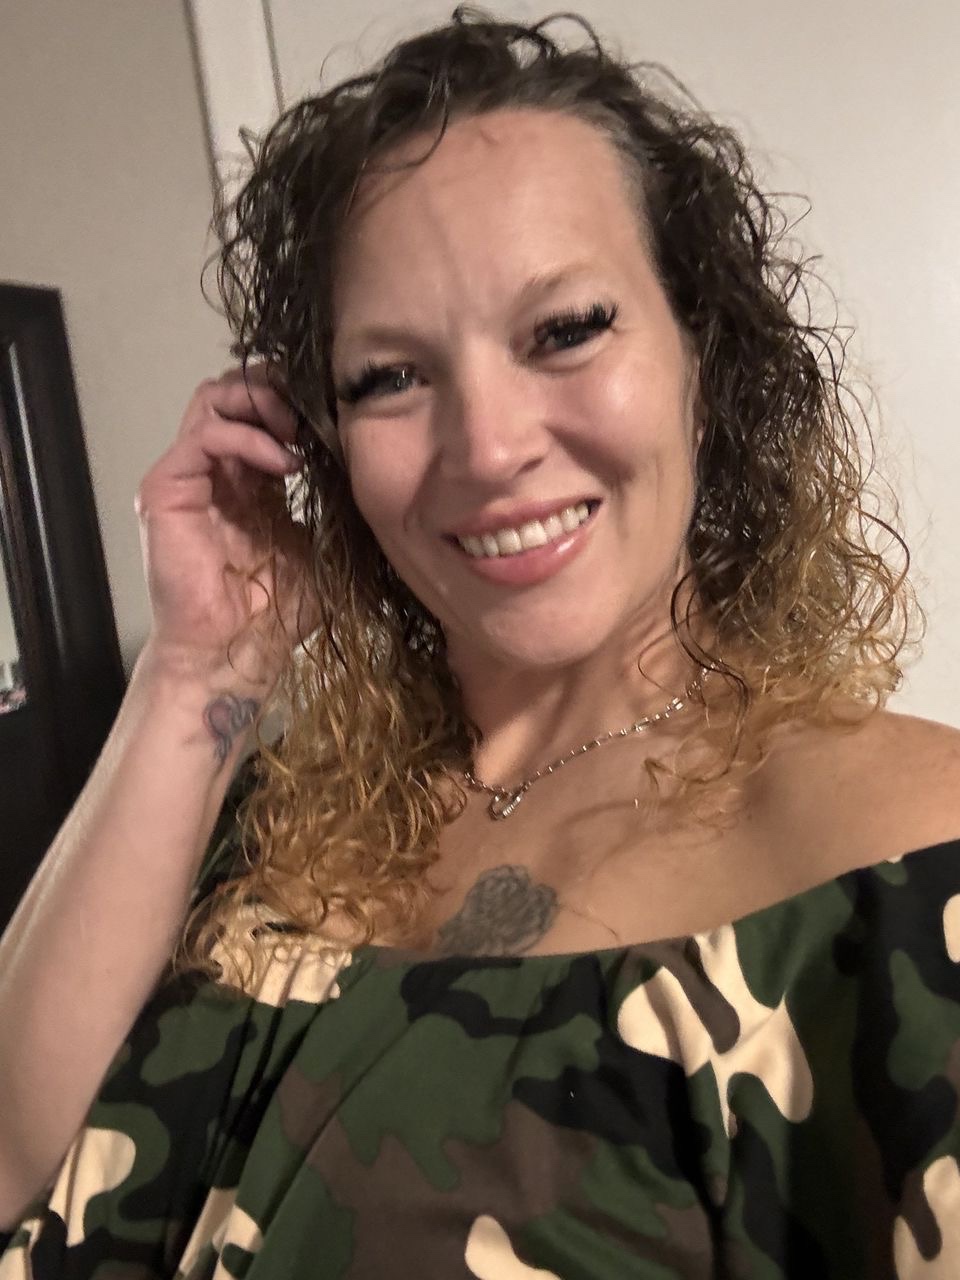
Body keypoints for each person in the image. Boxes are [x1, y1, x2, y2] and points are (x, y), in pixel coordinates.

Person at [1, 7, 958, 1277]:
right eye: (388, 377)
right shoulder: (276, 818)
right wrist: (200, 667)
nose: (490, 447)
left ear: (703, 352)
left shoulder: (907, 857)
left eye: (566, 330)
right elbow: (12, 1158)